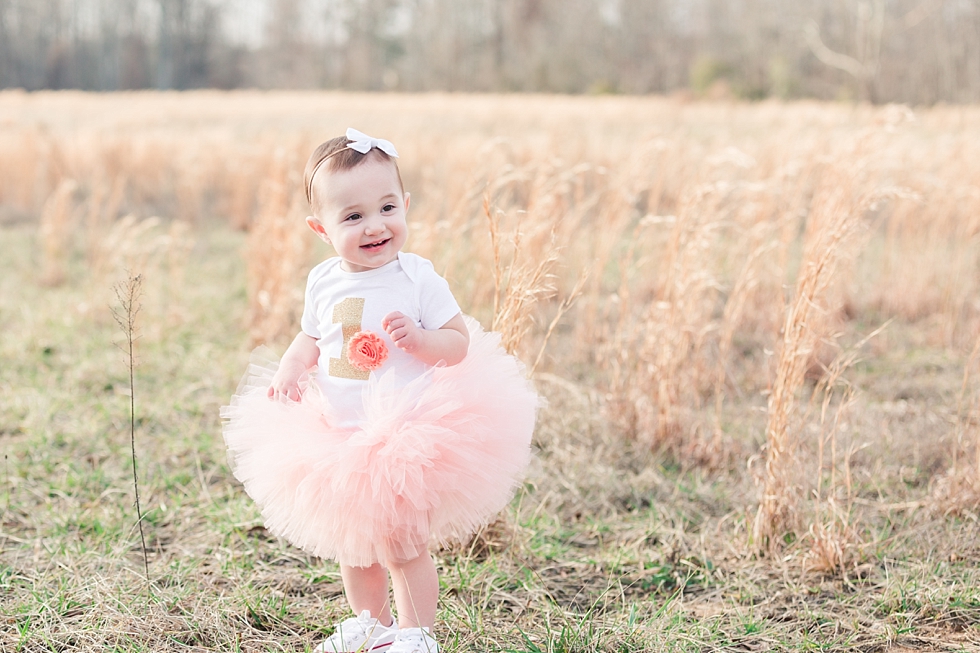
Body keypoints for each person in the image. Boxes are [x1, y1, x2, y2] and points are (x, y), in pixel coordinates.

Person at [221, 128, 537, 653]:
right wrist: (291, 368)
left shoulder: (417, 278)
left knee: (404, 546)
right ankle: (371, 623)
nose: (375, 226)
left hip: (407, 436)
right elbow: (310, 337)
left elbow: (457, 343)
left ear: (406, 205)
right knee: (356, 545)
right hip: (341, 437)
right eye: (353, 217)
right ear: (320, 228)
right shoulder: (323, 282)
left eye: (387, 208)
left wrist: (420, 340)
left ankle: (416, 633)